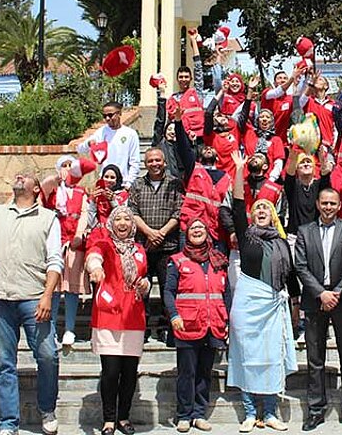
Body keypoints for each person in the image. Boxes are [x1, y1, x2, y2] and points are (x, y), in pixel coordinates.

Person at [0, 170, 62, 435]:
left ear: (36, 188)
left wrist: (47, 295)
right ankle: (9, 422)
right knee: (4, 361)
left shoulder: (48, 218)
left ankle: (47, 408)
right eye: (17, 175)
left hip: (33, 297)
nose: (19, 177)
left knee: (47, 355)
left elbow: (55, 260)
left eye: (26, 176)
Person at [227, 152, 299, 432]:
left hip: (274, 304)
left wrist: (294, 305)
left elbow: (291, 275)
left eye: (266, 208)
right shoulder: (246, 236)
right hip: (248, 304)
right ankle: (248, 412)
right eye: (257, 208)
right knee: (246, 355)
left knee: (271, 358)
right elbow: (236, 204)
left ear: (274, 214)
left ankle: (269, 412)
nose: (261, 211)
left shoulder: (282, 242)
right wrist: (239, 169)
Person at [294, 188, 342, 431]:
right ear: (317, 203)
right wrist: (321, 293)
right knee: (315, 359)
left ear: (339, 205)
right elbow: (300, 266)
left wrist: (335, 293)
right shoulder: (305, 231)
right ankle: (315, 410)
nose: (328, 207)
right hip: (315, 299)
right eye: (324, 203)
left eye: (333, 203)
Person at [86, 206, 151, 435]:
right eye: (118, 219)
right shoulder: (105, 244)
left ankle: (124, 416)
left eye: (127, 219)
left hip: (133, 316)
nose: (122, 223)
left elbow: (144, 278)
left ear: (132, 224)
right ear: (111, 223)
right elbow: (93, 255)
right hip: (109, 315)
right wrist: (95, 269)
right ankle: (109, 420)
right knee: (111, 371)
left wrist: (146, 285)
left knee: (130, 372)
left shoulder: (141, 250)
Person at [165, 218, 232, 432]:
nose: (197, 231)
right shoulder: (176, 260)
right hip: (187, 324)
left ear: (208, 233)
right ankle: (184, 414)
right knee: (187, 372)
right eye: (193, 228)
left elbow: (226, 293)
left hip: (214, 323)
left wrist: (228, 319)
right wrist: (174, 315)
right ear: (187, 233)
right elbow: (168, 291)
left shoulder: (218, 260)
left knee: (205, 371)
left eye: (201, 228)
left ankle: (199, 413)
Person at [127, 147, 184, 341]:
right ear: (145, 164)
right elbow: (132, 212)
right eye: (150, 161)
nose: (154, 164)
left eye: (158, 160)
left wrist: (161, 233)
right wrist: (150, 233)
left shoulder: (175, 184)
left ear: (164, 162)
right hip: (143, 246)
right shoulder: (137, 185)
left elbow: (179, 212)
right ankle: (140, 327)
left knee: (169, 289)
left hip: (168, 246)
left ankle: (166, 328)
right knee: (141, 288)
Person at [41, 156, 89, 349]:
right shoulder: (51, 192)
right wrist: (56, 178)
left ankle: (69, 328)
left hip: (73, 244)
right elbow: (43, 187)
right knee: (54, 285)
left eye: (71, 166)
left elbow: (85, 213)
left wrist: (79, 235)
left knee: (71, 286)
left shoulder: (82, 192)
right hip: (54, 242)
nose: (68, 169)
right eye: (64, 166)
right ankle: (51, 328)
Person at [173, 104, 234, 254]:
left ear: (218, 157)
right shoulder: (194, 168)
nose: (208, 148)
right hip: (191, 228)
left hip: (216, 232)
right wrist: (178, 123)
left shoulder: (226, 178)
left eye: (211, 149)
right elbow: (183, 147)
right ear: (199, 156)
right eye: (205, 148)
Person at [77, 101, 141, 191]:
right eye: (104, 116)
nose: (107, 118)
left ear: (119, 114)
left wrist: (129, 183)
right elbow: (80, 149)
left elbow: (135, 161)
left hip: (123, 184)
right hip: (104, 182)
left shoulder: (130, 134)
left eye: (110, 115)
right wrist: (88, 143)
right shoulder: (102, 132)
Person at [88, 164, 130, 236]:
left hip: (118, 235)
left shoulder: (124, 195)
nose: (109, 180)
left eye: (112, 177)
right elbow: (90, 223)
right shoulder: (96, 194)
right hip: (99, 235)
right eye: (106, 177)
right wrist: (93, 202)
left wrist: (113, 201)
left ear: (117, 179)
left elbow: (123, 218)